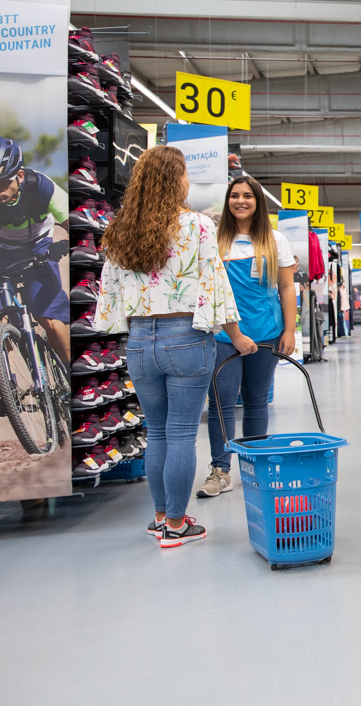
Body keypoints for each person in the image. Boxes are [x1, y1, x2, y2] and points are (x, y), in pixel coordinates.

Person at [93, 146, 255, 548]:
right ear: (174, 180)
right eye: (184, 174)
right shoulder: (197, 226)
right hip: (184, 338)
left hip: (139, 343)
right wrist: (236, 337)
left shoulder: (120, 229)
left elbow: (108, 294)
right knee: (182, 433)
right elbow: (217, 289)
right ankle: (179, 525)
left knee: (158, 433)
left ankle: (162, 516)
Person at [198, 176, 297, 500]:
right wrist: (233, 333)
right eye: (235, 196)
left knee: (256, 401)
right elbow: (209, 291)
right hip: (224, 336)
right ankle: (220, 470)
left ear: (258, 201)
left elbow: (286, 287)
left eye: (247, 196)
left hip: (266, 334)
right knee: (221, 403)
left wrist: (290, 330)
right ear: (228, 201)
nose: (240, 201)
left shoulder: (275, 240)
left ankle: (254, 464)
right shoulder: (214, 240)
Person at [0, 138, 70, 364]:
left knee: (48, 318)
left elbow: (75, 223)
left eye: (2, 182)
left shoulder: (40, 186)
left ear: (19, 176)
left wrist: (66, 243)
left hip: (38, 247)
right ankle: (9, 383)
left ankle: (72, 377)